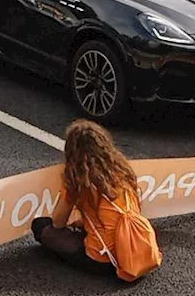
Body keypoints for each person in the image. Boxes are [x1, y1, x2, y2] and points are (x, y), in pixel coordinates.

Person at [31, 120, 161, 279]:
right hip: (133, 248)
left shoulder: (79, 180)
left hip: (105, 260)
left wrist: (65, 188)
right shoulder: (122, 171)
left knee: (40, 225)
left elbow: (58, 222)